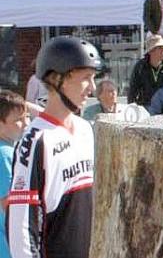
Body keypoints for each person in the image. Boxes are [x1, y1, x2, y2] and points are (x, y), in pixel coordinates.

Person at [7, 36, 103, 258]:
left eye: (94, 78)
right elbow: (21, 225)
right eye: (86, 78)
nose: (93, 88)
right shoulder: (35, 140)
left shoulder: (84, 129)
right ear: (57, 79)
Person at [0, 89, 31, 258]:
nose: (26, 123)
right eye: (18, 120)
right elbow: (9, 203)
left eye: (27, 116)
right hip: (7, 246)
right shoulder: (5, 154)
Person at [127, 34, 163, 110]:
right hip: (146, 107)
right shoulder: (140, 66)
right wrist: (132, 108)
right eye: (160, 48)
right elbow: (133, 90)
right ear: (151, 51)